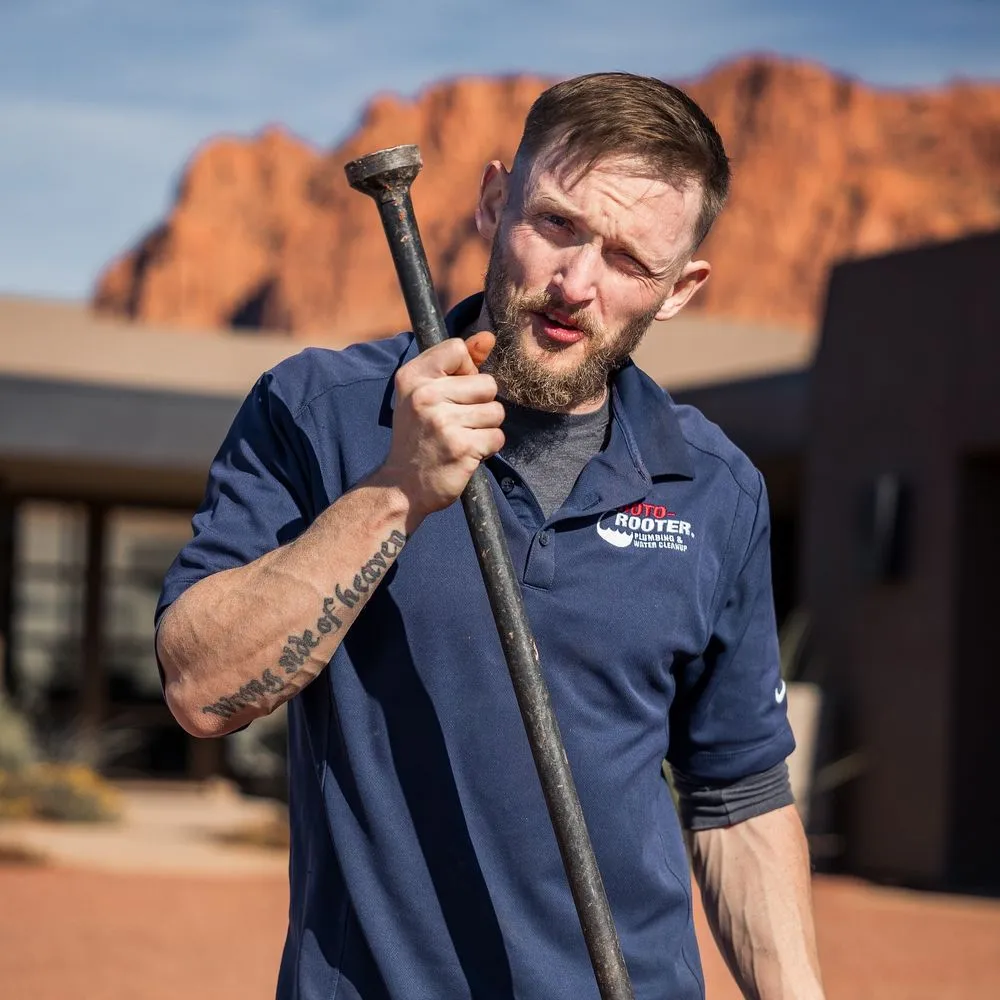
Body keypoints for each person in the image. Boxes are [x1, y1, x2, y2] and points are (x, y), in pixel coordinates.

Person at [155, 72, 825, 1000]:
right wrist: (394, 492)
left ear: (679, 290)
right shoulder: (321, 413)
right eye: (556, 223)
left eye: (630, 260)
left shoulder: (714, 488)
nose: (575, 284)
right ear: (491, 199)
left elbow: (738, 797)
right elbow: (199, 686)